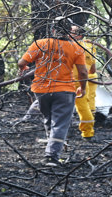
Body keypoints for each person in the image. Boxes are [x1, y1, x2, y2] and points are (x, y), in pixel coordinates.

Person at [18, 26, 88, 166]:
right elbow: (83, 72)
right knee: (60, 124)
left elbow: (21, 63)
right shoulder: (76, 48)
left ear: (53, 31)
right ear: (69, 33)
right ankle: (51, 156)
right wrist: (83, 88)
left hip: (41, 90)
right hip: (65, 90)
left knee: (49, 119)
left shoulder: (40, 43)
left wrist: (23, 69)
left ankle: (53, 146)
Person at [70, 26, 98, 140]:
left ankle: (88, 133)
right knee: (90, 103)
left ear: (79, 35)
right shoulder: (90, 46)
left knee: (82, 106)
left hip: (79, 79)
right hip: (91, 77)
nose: (68, 34)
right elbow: (93, 69)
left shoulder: (73, 47)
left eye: (71, 32)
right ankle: (92, 123)